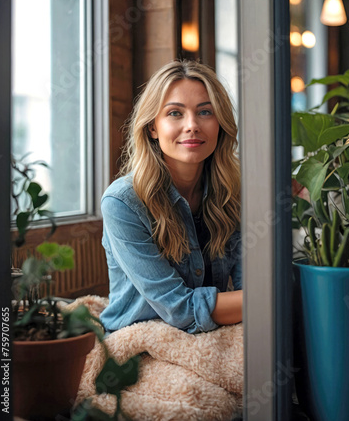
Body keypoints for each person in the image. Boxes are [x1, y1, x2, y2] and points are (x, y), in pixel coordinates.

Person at [100, 59, 242, 335]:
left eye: (205, 112)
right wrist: (273, 294)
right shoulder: (122, 202)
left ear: (220, 124)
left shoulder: (235, 194)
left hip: (210, 337)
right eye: (175, 113)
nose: (192, 125)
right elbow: (180, 309)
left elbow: (252, 284)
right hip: (138, 342)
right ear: (153, 127)